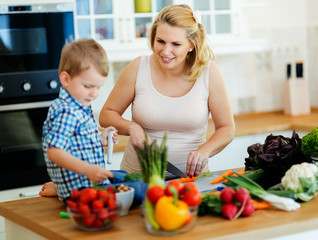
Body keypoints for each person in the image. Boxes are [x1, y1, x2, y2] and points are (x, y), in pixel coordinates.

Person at [99, 4, 235, 178]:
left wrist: (204, 151)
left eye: (176, 44)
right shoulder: (138, 67)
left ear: (192, 45)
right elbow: (106, 114)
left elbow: (227, 128)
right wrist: (131, 127)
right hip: (139, 178)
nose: (165, 51)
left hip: (191, 181)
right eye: (160, 41)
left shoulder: (209, 73)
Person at [39, 38, 120, 200]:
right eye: (88, 86)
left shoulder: (80, 104)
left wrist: (100, 138)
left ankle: (58, 188)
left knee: (124, 180)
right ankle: (61, 190)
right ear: (66, 79)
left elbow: (76, 141)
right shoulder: (67, 111)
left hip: (88, 185)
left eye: (98, 87)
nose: (94, 93)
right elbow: (55, 152)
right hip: (80, 191)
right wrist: (88, 170)